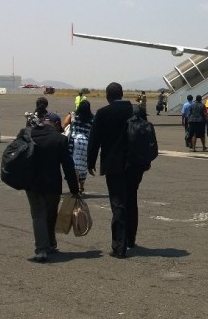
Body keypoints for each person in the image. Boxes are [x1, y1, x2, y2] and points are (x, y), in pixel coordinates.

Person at [88, 82, 147, 258]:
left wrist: (90, 162)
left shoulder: (103, 113)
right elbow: (145, 136)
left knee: (118, 202)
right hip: (135, 165)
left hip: (113, 165)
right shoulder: (137, 111)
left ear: (108, 96)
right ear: (122, 94)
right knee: (131, 199)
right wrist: (146, 160)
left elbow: (94, 140)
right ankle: (131, 239)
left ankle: (119, 246)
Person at [22, 117, 82, 263]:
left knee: (38, 215)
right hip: (52, 184)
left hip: (32, 183)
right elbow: (68, 166)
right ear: (55, 124)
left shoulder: (27, 134)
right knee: (50, 214)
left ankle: (41, 248)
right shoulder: (59, 139)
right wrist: (74, 188)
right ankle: (50, 243)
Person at [64, 99, 93, 194]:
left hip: (74, 141)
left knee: (74, 164)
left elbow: (64, 124)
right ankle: (81, 186)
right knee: (83, 165)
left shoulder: (73, 115)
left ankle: (75, 186)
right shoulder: (92, 118)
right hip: (86, 143)